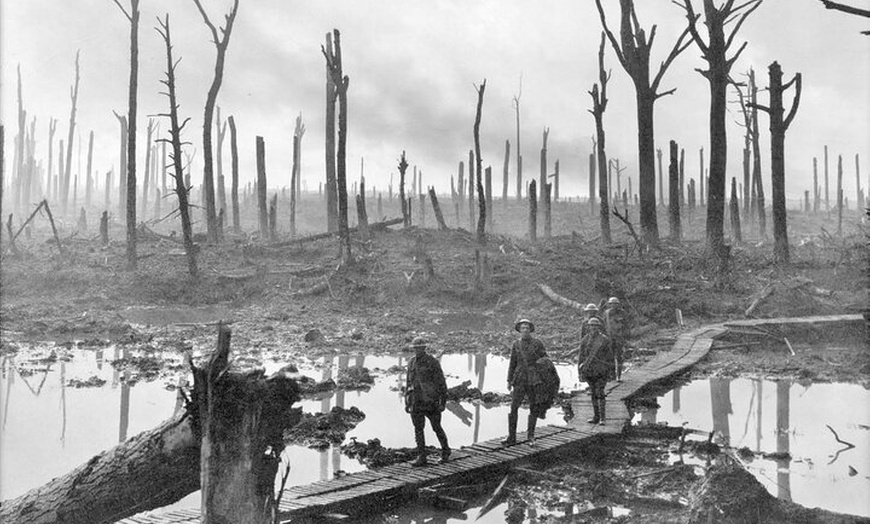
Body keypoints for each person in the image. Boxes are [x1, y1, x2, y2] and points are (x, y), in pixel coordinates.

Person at [404, 336, 450, 467]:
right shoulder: (411, 362)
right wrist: (407, 402)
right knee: (418, 430)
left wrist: (442, 402)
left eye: (420, 348)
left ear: (425, 348)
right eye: (416, 348)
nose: (418, 350)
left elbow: (441, 383)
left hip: (430, 402)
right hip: (416, 401)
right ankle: (421, 456)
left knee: (436, 427)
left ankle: (445, 451)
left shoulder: (432, 362)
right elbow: (408, 383)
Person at [504, 318, 547, 445]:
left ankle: (531, 436)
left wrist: (542, 376)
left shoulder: (537, 343)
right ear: (519, 330)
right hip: (519, 379)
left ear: (530, 330)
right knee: (513, 408)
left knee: (533, 407)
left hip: (533, 380)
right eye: (522, 328)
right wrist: (509, 379)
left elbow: (546, 361)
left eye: (527, 328)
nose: (525, 330)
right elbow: (512, 363)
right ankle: (511, 437)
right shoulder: (516, 344)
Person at [576, 317, 613, 425]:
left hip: (601, 370)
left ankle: (602, 418)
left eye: (595, 326)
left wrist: (610, 372)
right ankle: (596, 417)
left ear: (599, 327)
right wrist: (580, 372)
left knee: (600, 393)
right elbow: (581, 357)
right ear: (588, 327)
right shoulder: (585, 339)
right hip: (589, 371)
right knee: (593, 394)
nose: (593, 328)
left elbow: (610, 357)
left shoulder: (604, 340)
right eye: (591, 326)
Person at [602, 297, 629, 381]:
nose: (614, 306)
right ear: (609, 305)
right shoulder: (606, 313)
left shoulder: (623, 313)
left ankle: (619, 375)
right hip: (609, 338)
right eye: (612, 304)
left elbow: (626, 326)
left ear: (618, 304)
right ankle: (612, 375)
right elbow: (603, 325)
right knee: (610, 357)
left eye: (615, 304)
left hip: (619, 338)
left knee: (619, 357)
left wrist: (625, 337)